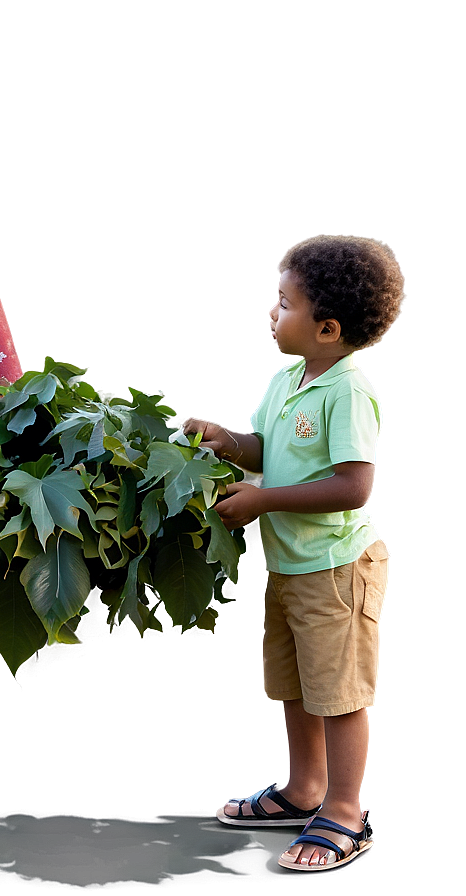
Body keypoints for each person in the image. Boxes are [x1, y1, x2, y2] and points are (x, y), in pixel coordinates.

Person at [184, 235, 403, 871]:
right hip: (289, 567)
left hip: (335, 570)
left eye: (284, 303)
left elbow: (353, 487)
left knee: (338, 694)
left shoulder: (348, 393)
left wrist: (262, 502)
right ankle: (303, 790)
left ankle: (344, 812)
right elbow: (268, 449)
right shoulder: (286, 379)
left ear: (327, 328)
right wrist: (228, 442)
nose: (271, 314)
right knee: (295, 687)